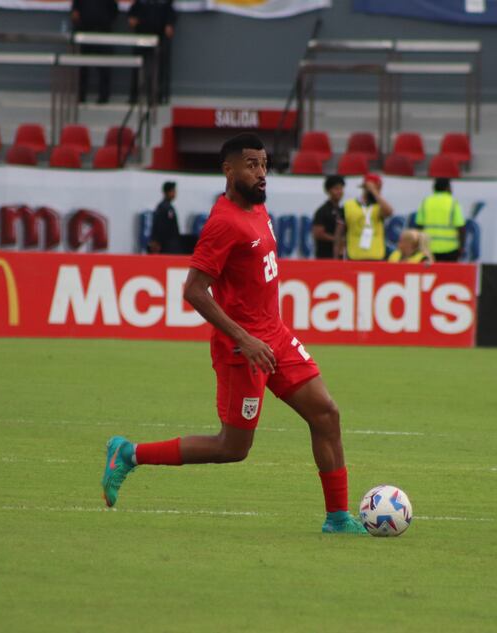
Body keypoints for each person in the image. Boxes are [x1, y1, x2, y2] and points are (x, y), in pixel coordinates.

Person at [101, 133, 367, 535]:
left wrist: (262, 333)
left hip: (274, 335)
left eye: (264, 164)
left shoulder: (258, 210)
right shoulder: (223, 223)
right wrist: (244, 338)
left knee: (326, 414)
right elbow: (193, 290)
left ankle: (338, 518)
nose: (261, 173)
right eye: (252, 165)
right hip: (242, 349)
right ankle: (129, 453)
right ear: (229, 170)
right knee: (232, 448)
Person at [334, 173, 394, 261]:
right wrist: (336, 255)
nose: (379, 190)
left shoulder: (379, 205)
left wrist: (375, 192)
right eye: (377, 187)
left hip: (376, 256)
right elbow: (339, 233)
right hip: (354, 255)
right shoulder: (348, 205)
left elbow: (389, 212)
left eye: (379, 188)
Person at [127, 0, 176, 104]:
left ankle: (157, 96)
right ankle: (134, 96)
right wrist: (132, 19)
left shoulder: (164, 3)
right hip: (141, 36)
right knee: (137, 67)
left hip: (159, 37)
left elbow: (171, 14)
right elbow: (132, 13)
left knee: (159, 68)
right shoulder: (141, 2)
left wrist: (170, 24)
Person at [71, 0, 119, 104]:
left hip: (103, 32)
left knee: (104, 66)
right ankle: (81, 96)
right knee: (83, 66)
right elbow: (75, 11)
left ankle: (104, 96)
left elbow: (114, 11)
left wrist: (105, 22)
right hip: (85, 31)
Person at [416, 178, 465, 262]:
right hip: (450, 248)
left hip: (428, 248)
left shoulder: (426, 201)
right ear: (447, 188)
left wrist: (419, 246)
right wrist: (461, 247)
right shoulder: (453, 202)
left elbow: (419, 226)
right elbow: (460, 227)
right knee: (448, 274)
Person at [311, 175, 344, 259]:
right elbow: (318, 234)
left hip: (339, 256)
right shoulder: (322, 211)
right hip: (325, 256)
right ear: (328, 190)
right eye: (336, 189)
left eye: (341, 188)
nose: (339, 192)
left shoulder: (342, 210)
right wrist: (336, 240)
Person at [147, 181, 182, 254]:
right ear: (167, 192)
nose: (175, 193)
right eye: (173, 191)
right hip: (166, 244)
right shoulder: (164, 207)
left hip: (170, 243)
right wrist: (157, 241)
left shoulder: (167, 207)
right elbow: (160, 226)